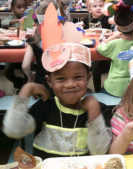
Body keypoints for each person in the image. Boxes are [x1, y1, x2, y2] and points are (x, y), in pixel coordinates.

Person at [2, 3, 111, 159]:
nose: (70, 84)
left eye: (78, 77)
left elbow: (100, 151)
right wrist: (26, 91)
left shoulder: (98, 109)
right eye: (61, 78)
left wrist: (93, 113)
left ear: (88, 78)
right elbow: (13, 130)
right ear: (49, 81)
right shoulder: (46, 107)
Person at [96, 9, 133, 97]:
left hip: (114, 88)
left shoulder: (114, 43)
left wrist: (112, 37)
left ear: (117, 28)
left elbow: (99, 48)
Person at [83, 0, 114, 92]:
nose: (98, 8)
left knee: (112, 66)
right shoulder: (87, 18)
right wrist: (80, 26)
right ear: (89, 9)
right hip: (93, 47)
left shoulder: (105, 18)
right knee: (96, 70)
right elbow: (81, 27)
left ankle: (111, 87)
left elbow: (113, 21)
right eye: (95, 6)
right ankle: (97, 90)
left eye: (101, 6)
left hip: (106, 45)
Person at [3, 0, 27, 93]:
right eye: (19, 7)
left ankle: (25, 85)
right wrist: (17, 20)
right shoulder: (10, 17)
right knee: (7, 71)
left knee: (26, 69)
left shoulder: (28, 18)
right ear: (12, 9)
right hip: (11, 48)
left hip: (24, 49)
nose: (22, 10)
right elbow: (5, 22)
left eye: (24, 7)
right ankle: (18, 83)